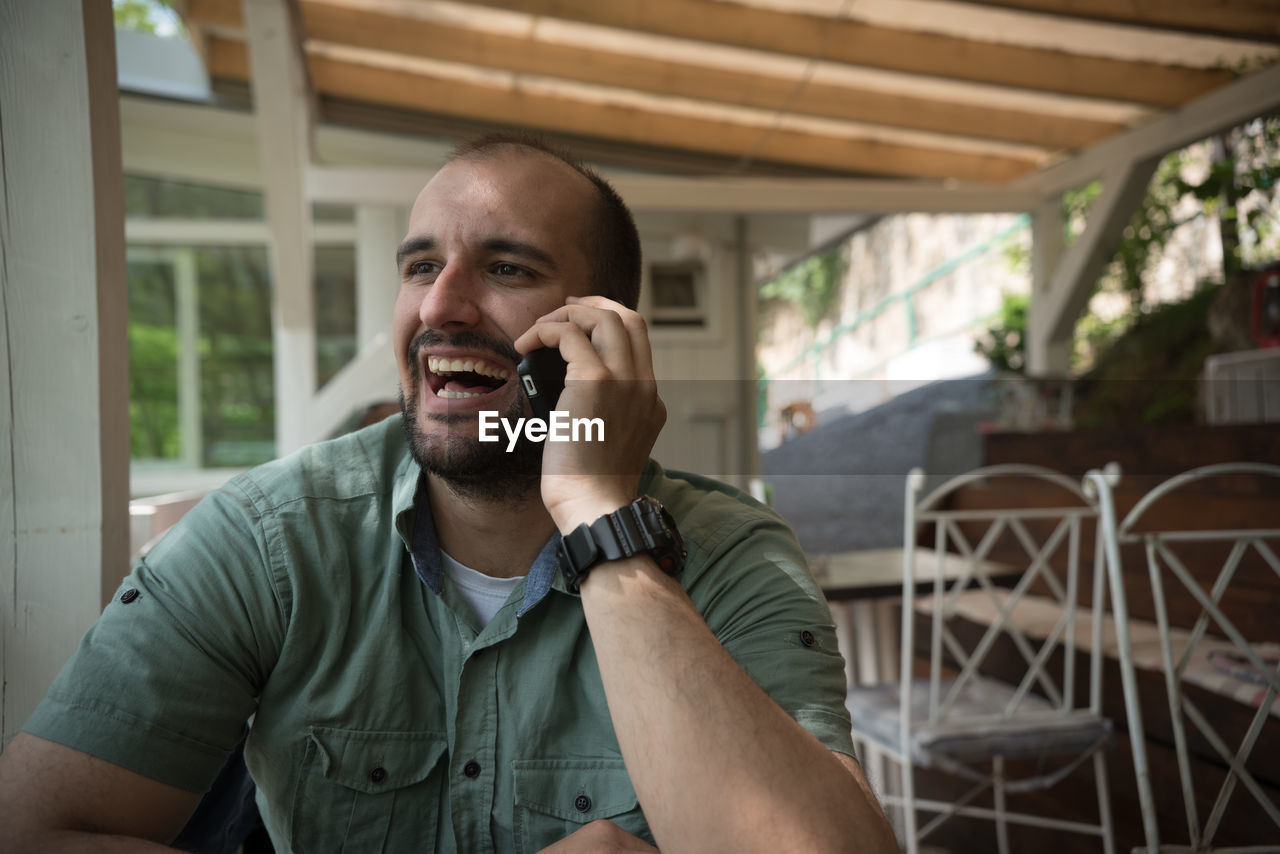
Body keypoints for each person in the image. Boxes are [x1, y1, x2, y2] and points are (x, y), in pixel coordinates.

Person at [0, 134, 895, 853]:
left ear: (602, 334)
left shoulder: (734, 554)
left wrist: (600, 518)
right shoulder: (267, 539)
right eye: (421, 266)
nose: (440, 309)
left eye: (507, 269)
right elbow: (36, 829)